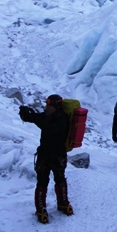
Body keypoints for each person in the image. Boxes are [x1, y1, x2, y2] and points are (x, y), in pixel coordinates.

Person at [19, 94, 73, 224]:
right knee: (43, 182)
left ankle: (62, 203)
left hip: (55, 156)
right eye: (47, 105)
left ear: (57, 107)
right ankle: (43, 209)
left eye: (50, 106)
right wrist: (25, 113)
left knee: (58, 180)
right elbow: (33, 119)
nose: (47, 107)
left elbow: (48, 128)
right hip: (49, 155)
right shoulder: (48, 116)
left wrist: (34, 117)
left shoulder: (62, 120)